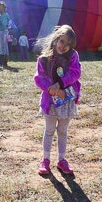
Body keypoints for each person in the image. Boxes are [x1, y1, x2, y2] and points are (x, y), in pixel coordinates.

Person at [34, 25, 81, 175]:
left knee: (62, 131)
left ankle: (61, 160)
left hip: (66, 100)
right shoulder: (44, 59)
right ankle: (45, 159)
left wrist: (59, 84)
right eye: (62, 41)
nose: (64, 46)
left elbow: (75, 72)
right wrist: (50, 88)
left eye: (68, 44)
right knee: (49, 131)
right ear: (56, 39)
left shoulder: (73, 56)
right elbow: (38, 78)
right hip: (50, 101)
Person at [0, 1, 11, 67]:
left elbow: (3, 26)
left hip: (2, 32)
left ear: (3, 8)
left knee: (2, 46)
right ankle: (4, 62)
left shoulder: (3, 15)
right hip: (2, 32)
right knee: (4, 46)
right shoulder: (2, 15)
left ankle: (2, 62)